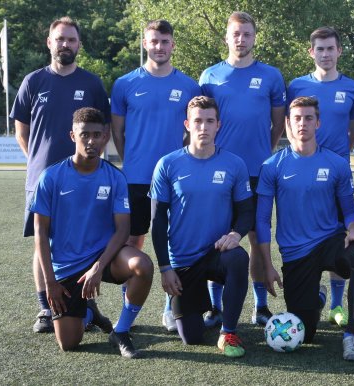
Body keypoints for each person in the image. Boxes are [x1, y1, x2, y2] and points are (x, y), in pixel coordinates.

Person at [10, 16, 111, 333]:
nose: (65, 44)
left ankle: (86, 306)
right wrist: (40, 165)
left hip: (85, 181)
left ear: (79, 45)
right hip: (43, 182)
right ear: (49, 43)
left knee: (86, 243)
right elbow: (21, 132)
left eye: (71, 39)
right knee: (43, 245)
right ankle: (44, 307)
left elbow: (104, 129)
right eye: (60, 39)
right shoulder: (33, 82)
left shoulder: (92, 83)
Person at [31, 107, 153, 358]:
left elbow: (122, 230)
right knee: (69, 343)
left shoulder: (115, 178)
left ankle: (121, 330)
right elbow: (40, 234)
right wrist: (50, 283)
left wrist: (98, 268)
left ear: (105, 136)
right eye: (84, 134)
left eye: (97, 135)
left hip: (104, 256)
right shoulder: (51, 177)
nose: (91, 141)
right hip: (66, 266)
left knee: (142, 265)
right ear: (72, 136)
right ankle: (89, 312)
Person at [257, 96, 354, 361]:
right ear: (287, 123)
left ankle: (351, 335)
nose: (303, 123)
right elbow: (263, 220)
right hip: (296, 253)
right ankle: (319, 297)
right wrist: (267, 265)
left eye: (309, 118)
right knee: (306, 334)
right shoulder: (272, 166)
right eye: (296, 118)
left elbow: (349, 211)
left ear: (318, 122)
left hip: (330, 241)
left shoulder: (336, 163)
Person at [110, 19, 201, 332]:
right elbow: (118, 132)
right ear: (145, 44)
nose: (159, 47)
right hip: (135, 178)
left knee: (175, 241)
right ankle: (128, 304)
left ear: (172, 45)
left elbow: (193, 131)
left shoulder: (189, 86)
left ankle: (169, 306)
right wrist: (133, 160)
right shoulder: (124, 83)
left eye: (165, 42)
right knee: (133, 240)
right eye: (153, 41)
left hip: (176, 179)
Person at [199, 11, 286, 328]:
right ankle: (214, 307)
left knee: (257, 237)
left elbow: (278, 125)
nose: (241, 39)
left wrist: (263, 150)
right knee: (221, 237)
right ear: (226, 37)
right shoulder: (209, 76)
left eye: (247, 34)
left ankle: (261, 306)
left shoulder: (271, 76)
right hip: (219, 172)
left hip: (257, 171)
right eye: (235, 34)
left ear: (254, 37)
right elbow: (202, 120)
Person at [150, 96, 253, 358]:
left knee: (238, 258)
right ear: (187, 124)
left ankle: (227, 331)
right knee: (192, 338)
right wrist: (165, 268)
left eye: (209, 121)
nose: (203, 127)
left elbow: (246, 211)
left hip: (217, 253)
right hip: (183, 261)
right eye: (198, 121)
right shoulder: (168, 164)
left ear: (219, 125)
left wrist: (235, 234)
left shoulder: (234, 164)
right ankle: (203, 310)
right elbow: (158, 221)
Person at [286, 26, 354, 328]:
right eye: (320, 49)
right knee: (305, 233)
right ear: (311, 52)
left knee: (340, 235)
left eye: (331, 48)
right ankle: (310, 289)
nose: (326, 54)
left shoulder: (353, 88)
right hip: (303, 174)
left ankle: (336, 305)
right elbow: (288, 124)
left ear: (339, 51)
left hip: (337, 174)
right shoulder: (296, 86)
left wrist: (340, 153)